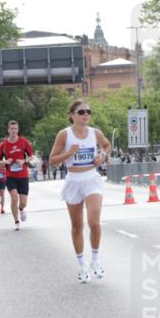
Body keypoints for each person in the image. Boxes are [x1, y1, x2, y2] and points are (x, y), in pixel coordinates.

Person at [49, 100, 112, 283]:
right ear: (72, 115)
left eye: (88, 112)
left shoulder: (95, 133)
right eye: (81, 111)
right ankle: (82, 264)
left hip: (92, 179)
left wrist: (102, 155)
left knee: (94, 222)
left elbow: (106, 145)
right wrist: (69, 153)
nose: (86, 115)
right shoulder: (64, 135)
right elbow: (53, 160)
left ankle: (95, 260)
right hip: (73, 181)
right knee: (77, 227)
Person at [0, 121, 35, 230]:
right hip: (10, 176)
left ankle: (21, 209)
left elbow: (31, 156)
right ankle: (16, 221)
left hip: (23, 176)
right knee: (14, 197)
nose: (14, 131)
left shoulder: (23, 142)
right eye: (12, 129)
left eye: (15, 129)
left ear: (18, 130)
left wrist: (23, 161)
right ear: (8, 130)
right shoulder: (3, 145)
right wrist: (5, 162)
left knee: (23, 202)